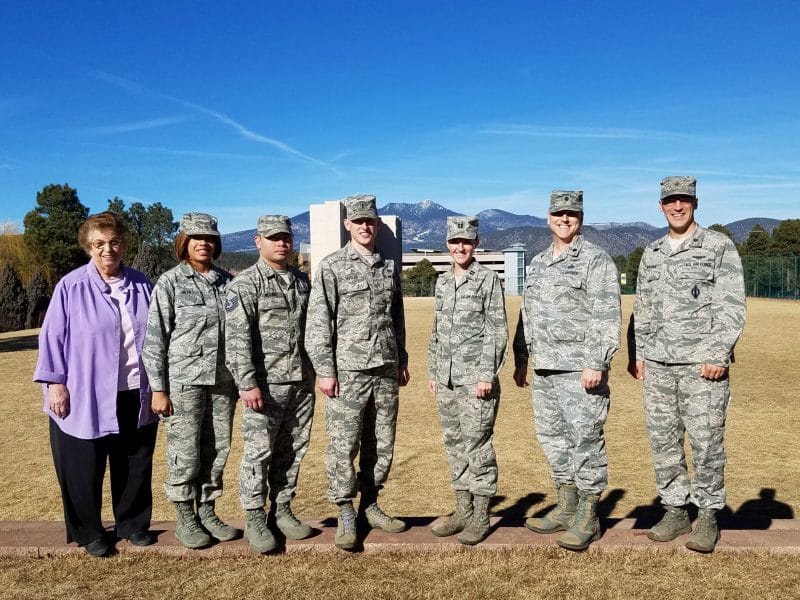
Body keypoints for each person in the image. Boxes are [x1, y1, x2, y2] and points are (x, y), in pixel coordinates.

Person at [628, 176, 746, 553]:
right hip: (659, 365)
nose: (677, 207)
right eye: (670, 201)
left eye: (684, 200)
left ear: (695, 203)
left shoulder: (717, 245)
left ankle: (708, 515)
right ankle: (675, 510)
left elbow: (731, 304)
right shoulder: (652, 252)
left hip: (701, 366)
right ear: (660, 206)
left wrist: (718, 353)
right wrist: (640, 354)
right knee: (663, 440)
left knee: (707, 442)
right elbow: (643, 307)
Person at [33, 211, 158, 557]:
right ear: (88, 247)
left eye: (114, 242)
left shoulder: (141, 284)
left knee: (134, 461)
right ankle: (88, 531)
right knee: (82, 465)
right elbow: (52, 338)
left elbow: (157, 335)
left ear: (124, 244)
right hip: (84, 392)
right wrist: (55, 384)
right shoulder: (71, 286)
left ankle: (132, 524)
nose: (108, 250)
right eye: (99, 243)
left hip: (134, 389)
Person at [513, 191, 621, 551]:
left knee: (585, 439)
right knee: (553, 440)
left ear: (581, 218)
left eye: (571, 214)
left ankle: (588, 516)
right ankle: (566, 505)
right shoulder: (538, 263)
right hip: (544, 367)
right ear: (548, 218)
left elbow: (606, 314)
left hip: (579, 369)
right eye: (559, 213)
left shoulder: (595, 259)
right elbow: (527, 314)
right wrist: (522, 358)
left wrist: (596, 362)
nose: (564, 219)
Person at [305, 194, 410, 550]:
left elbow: (396, 317)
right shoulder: (332, 266)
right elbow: (319, 322)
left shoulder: (387, 267)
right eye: (359, 221)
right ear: (347, 224)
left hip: (385, 368)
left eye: (371, 221)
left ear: (377, 225)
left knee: (381, 441)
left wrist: (402, 359)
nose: (365, 226)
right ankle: (345, 511)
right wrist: (325, 369)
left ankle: (370, 503)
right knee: (343, 442)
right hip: (348, 371)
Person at [142, 212, 240, 550]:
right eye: (197, 237)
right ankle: (185, 516)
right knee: (185, 451)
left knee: (218, 449)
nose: (204, 243)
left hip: (223, 382)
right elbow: (155, 339)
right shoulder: (170, 282)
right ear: (184, 242)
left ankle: (208, 510)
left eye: (210, 238)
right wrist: (158, 389)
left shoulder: (227, 283)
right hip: (184, 382)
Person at [224, 215, 316, 553]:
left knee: (293, 449)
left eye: (286, 238)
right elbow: (237, 339)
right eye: (274, 238)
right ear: (258, 241)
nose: (282, 243)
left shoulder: (301, 282)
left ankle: (282, 508)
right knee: (258, 452)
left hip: (301, 382)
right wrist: (247, 383)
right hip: (265, 385)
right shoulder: (246, 284)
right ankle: (254, 516)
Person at [427, 216, 508, 545]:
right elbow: (436, 330)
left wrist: (486, 374)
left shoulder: (487, 280)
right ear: (447, 244)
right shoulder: (443, 281)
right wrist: (434, 371)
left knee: (478, 446)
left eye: (466, 241)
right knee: (455, 445)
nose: (460, 247)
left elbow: (497, 330)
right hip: (446, 379)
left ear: (476, 243)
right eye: (455, 241)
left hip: (476, 380)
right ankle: (462, 509)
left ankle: (481, 515)